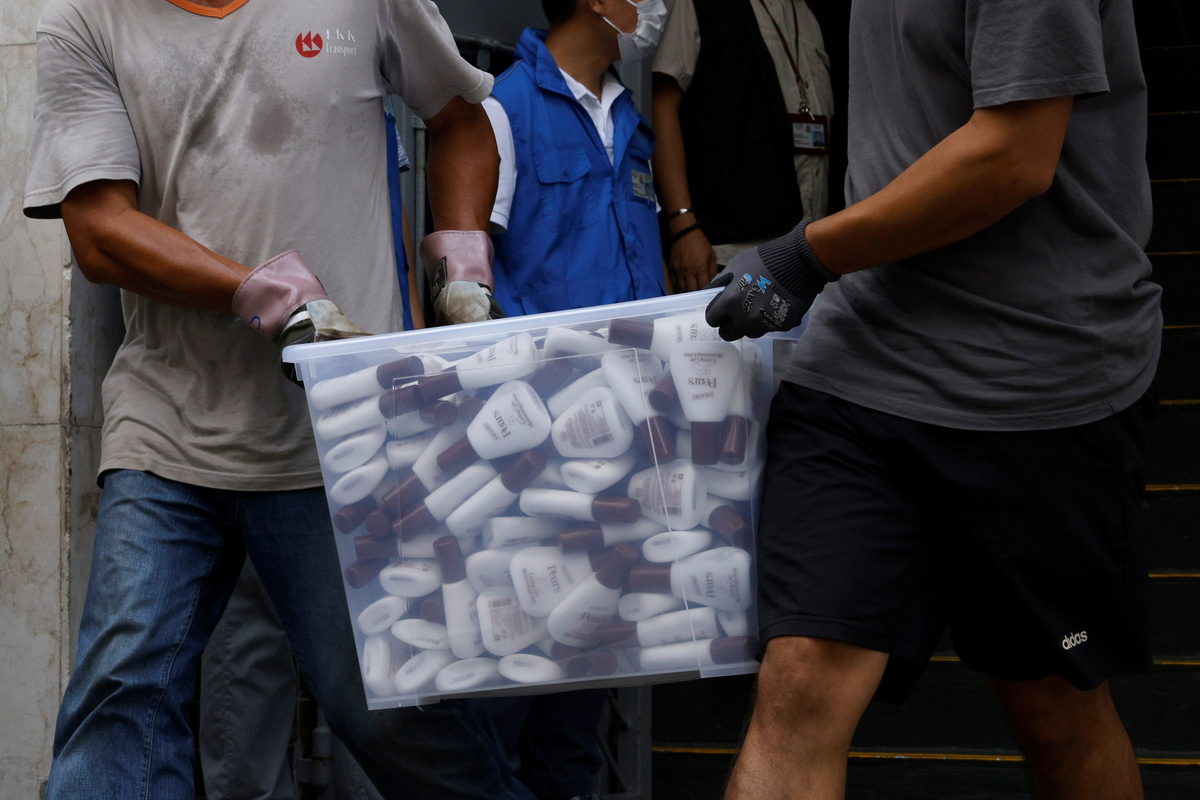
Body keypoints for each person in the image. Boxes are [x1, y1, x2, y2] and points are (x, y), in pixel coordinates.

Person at [22, 0, 526, 797]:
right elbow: (100, 230)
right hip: (167, 431)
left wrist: (460, 266)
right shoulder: (85, 17)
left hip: (341, 434)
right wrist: (270, 294)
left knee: (390, 715)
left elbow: (461, 117)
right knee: (122, 694)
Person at [702, 1, 1161, 798]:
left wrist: (806, 256)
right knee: (799, 685)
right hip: (859, 368)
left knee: (1054, 711)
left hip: (1037, 384)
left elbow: (1014, 155)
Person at [461, 1, 669, 797]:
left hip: (623, 440)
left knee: (585, 664)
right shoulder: (504, 109)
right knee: (509, 671)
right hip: (532, 445)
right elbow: (470, 277)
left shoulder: (631, 121)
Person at [651, 0, 833, 293]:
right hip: (727, 253)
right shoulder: (692, 4)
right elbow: (662, 106)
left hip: (807, 253)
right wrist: (683, 226)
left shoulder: (808, 12)